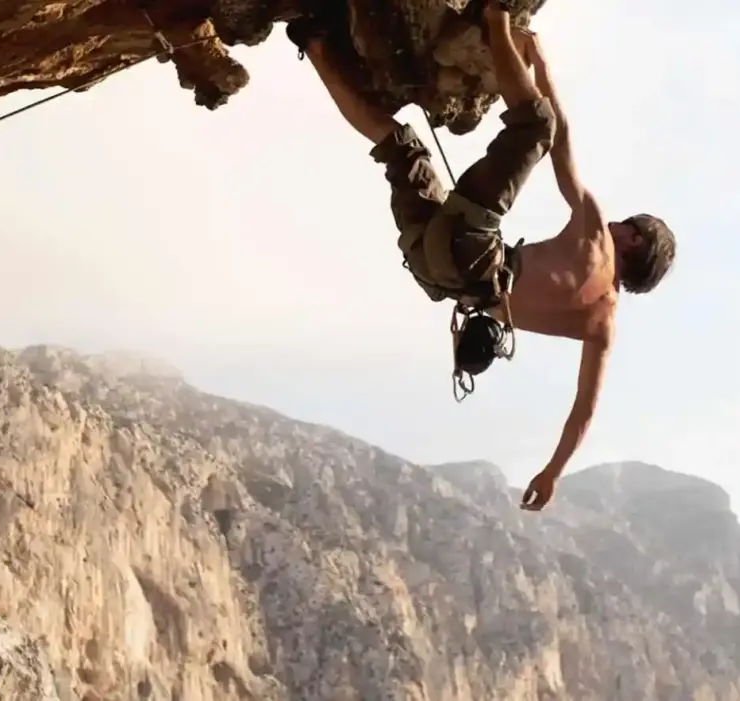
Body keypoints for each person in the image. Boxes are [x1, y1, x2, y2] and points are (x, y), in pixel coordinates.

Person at [286, 2, 676, 512]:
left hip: (473, 253)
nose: (617, 223)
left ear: (634, 242)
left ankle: (495, 17)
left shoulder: (598, 239)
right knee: (400, 147)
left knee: (534, 125)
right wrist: (552, 473)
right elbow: (583, 411)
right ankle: (314, 43)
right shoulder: (601, 328)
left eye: (628, 224)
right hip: (437, 274)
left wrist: (537, 62)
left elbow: (559, 141)